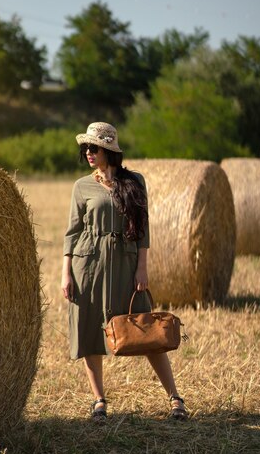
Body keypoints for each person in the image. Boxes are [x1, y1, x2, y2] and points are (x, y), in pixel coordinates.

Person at [61, 122, 188, 422]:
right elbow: (72, 232)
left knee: (147, 328)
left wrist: (142, 267)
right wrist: (66, 273)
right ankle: (99, 401)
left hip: (126, 262)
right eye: (85, 148)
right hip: (88, 265)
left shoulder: (134, 181)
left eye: (93, 148)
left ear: (108, 150)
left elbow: (142, 228)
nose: (88, 153)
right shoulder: (82, 186)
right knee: (90, 331)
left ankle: (175, 399)